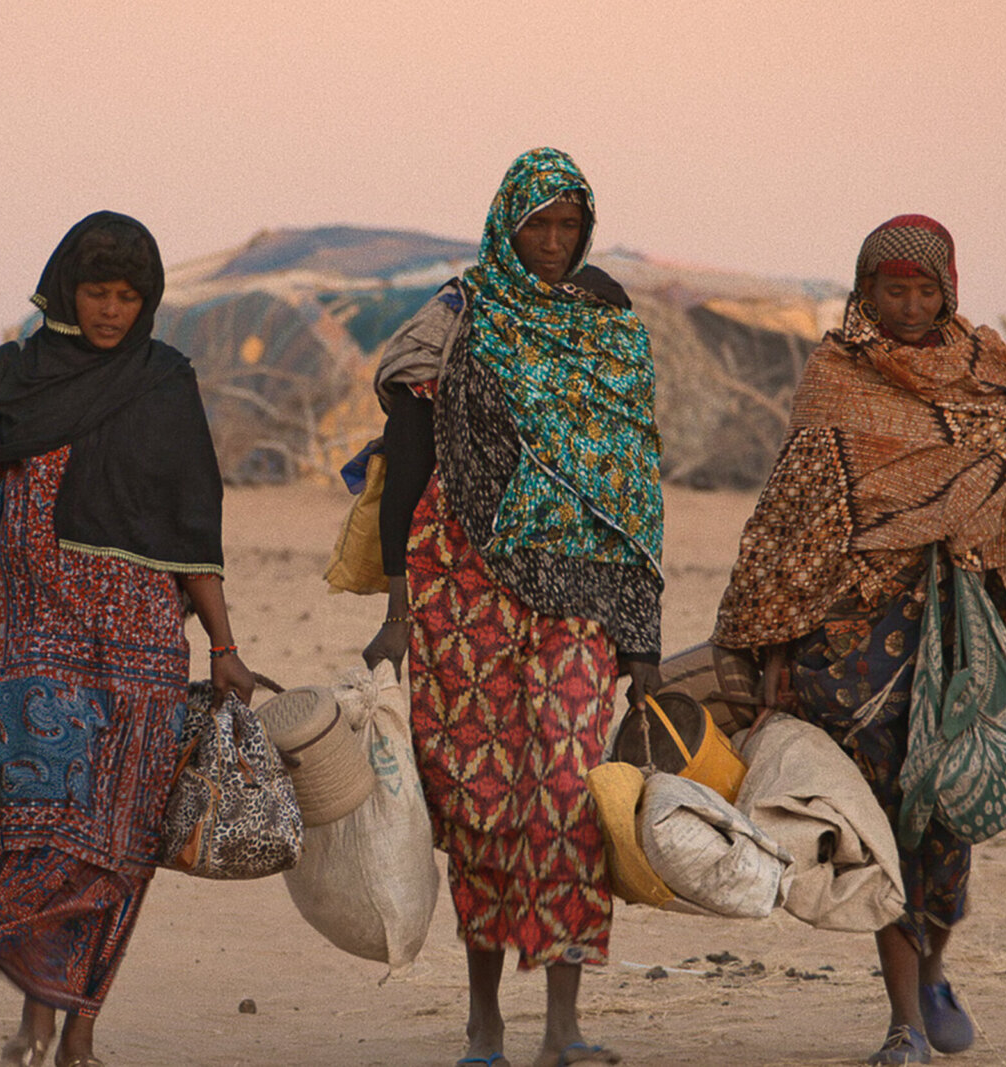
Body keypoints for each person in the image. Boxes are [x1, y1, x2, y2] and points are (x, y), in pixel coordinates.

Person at [0, 211, 256, 1067]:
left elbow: (192, 526)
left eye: (130, 295)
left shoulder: (165, 380)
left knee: (126, 837)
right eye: (97, 290)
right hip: (31, 630)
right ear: (67, 288)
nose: (111, 309)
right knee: (42, 825)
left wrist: (225, 646)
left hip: (142, 643)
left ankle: (80, 1027)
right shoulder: (12, 374)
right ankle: (36, 1014)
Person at [710, 215, 1006, 1064]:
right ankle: (903, 1018)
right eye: (891, 288)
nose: (909, 304)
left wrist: (974, 544)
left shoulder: (986, 376)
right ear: (865, 291)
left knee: (945, 824)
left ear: (949, 291)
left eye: (924, 288)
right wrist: (777, 654)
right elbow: (791, 522)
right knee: (881, 830)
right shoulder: (835, 376)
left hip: (953, 641)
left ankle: (935, 968)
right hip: (853, 648)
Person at [363, 147, 660, 1067]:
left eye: (571, 226)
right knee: (479, 805)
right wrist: (400, 606)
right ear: (506, 223)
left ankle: (562, 1027)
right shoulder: (454, 325)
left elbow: (635, 485)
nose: (555, 242)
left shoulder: (606, 330)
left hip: (578, 597)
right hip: (463, 587)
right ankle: (484, 1022)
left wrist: (642, 638)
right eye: (540, 224)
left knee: (570, 797)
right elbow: (406, 472)